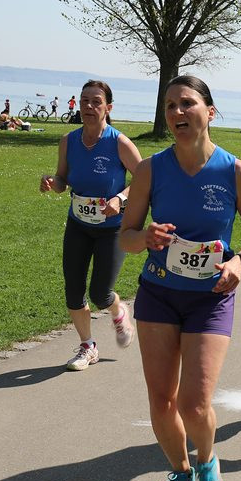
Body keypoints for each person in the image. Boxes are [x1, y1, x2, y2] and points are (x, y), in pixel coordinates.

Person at [119, 75, 241, 481]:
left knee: (195, 402)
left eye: (187, 104)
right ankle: (181, 472)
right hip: (158, 295)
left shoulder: (233, 170)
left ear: (209, 112)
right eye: (170, 106)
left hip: (211, 297)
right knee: (162, 400)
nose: (177, 113)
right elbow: (125, 236)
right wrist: (145, 236)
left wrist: (240, 261)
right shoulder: (150, 169)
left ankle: (207, 463)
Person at [39, 80, 142, 371]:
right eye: (84, 101)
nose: (88, 107)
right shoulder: (68, 141)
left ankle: (118, 311)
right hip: (78, 225)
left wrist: (120, 198)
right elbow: (63, 180)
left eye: (96, 102)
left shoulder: (118, 142)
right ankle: (88, 346)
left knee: (100, 294)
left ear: (108, 108)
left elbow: (144, 179)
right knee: (73, 291)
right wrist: (52, 183)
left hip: (112, 228)